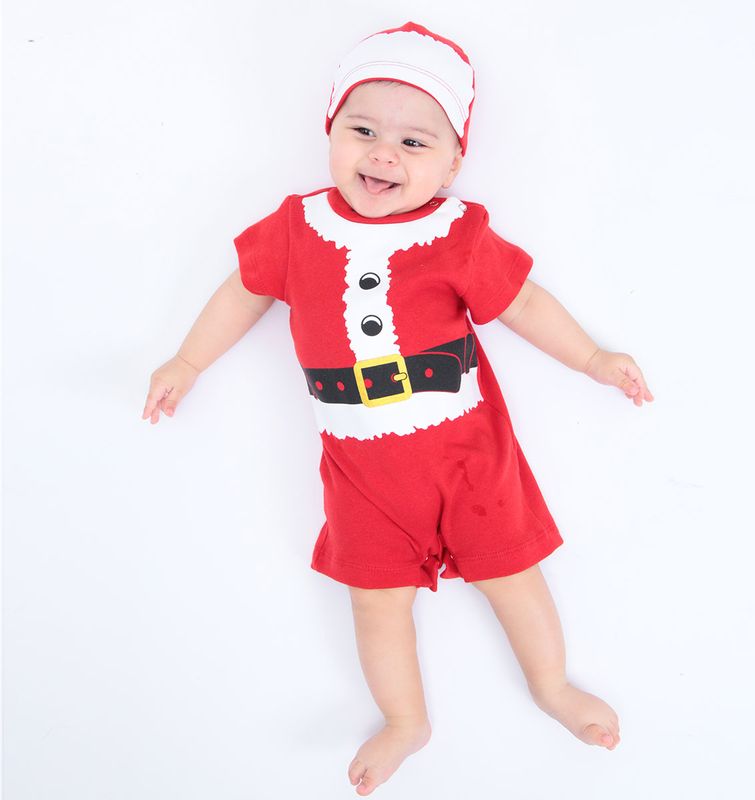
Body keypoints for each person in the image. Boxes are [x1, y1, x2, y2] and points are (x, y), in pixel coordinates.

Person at [142, 21, 654, 797]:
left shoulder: (459, 234)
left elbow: (523, 303)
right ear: (330, 132)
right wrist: (187, 361)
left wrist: (591, 358)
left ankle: (552, 686)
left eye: (414, 143)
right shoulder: (296, 227)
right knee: (375, 602)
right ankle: (404, 719)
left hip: (469, 458)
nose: (384, 153)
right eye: (364, 131)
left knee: (513, 574)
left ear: (453, 163)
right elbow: (242, 293)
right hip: (362, 474)